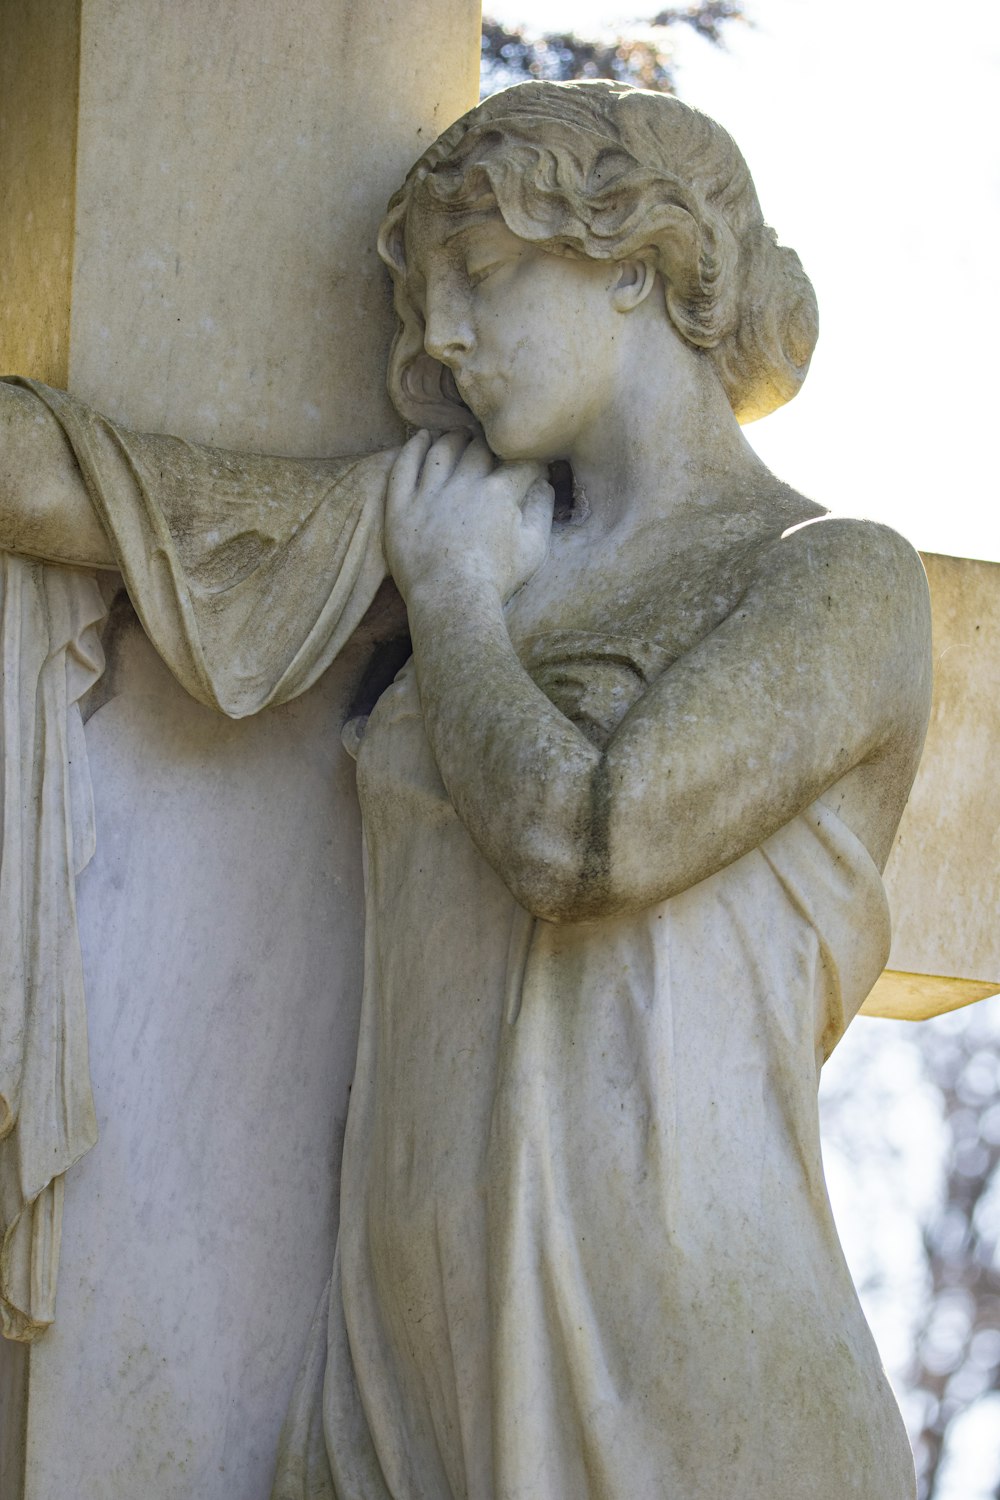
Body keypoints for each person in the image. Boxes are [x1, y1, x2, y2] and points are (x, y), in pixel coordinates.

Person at [0, 81, 930, 1496]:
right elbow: (79, 492)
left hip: (683, 1369)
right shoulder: (453, 518)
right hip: (401, 1379)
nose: (439, 335)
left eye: (483, 276)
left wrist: (453, 605)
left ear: (639, 263)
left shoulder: (832, 579)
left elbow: (585, 837)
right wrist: (440, 572)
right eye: (427, 296)